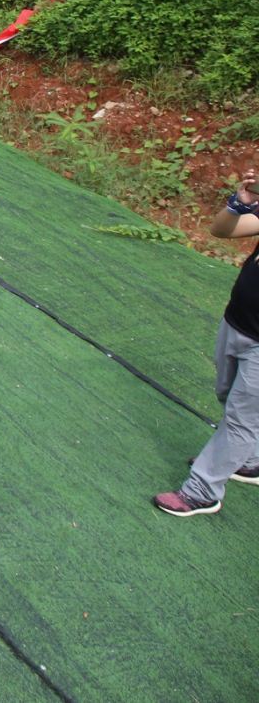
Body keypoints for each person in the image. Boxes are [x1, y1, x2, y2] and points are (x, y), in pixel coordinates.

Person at [155, 168, 259, 516]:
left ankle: (202, 491)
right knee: (227, 394)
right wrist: (239, 204)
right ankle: (250, 460)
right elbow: (221, 230)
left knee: (241, 419)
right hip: (238, 322)